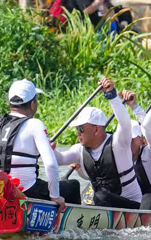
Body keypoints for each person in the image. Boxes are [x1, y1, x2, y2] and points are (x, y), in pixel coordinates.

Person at [0, 79, 80, 209]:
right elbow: (51, 164)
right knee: (73, 185)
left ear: (10, 102)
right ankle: (69, 220)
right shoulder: (35, 124)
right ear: (33, 104)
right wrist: (55, 196)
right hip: (28, 190)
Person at [60, 77, 143, 209]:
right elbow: (59, 159)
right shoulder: (79, 150)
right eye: (77, 129)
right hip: (104, 203)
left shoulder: (118, 143)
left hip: (131, 206)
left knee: (101, 196)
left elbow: (125, 122)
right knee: (69, 186)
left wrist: (112, 96)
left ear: (97, 130)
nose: (77, 133)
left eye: (80, 128)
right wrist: (47, 147)